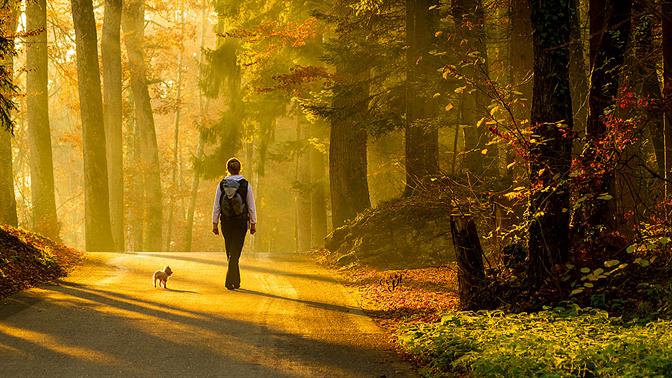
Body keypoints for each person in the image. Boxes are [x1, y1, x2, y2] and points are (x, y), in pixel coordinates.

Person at [212, 157, 257, 290]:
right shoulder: (246, 185)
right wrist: (253, 223)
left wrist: (215, 223)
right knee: (235, 251)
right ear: (239, 169)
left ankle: (235, 282)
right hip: (241, 222)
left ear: (228, 169)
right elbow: (251, 206)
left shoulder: (221, 184)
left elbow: (216, 206)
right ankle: (231, 281)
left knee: (230, 251)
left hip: (226, 221)